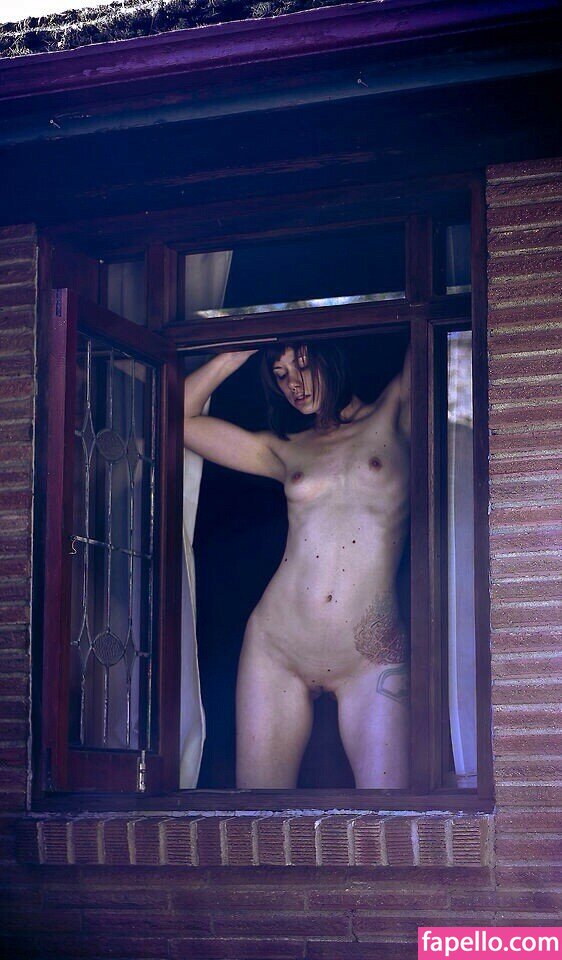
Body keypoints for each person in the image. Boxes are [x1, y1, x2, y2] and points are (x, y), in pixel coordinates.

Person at [184, 341, 411, 789]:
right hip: (278, 647)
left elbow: (449, 332)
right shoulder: (287, 449)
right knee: (259, 813)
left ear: (332, 356)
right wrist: (235, 352)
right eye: (281, 373)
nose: (294, 383)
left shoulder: (395, 410)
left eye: (303, 364)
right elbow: (178, 421)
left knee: (392, 812)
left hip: (369, 652)